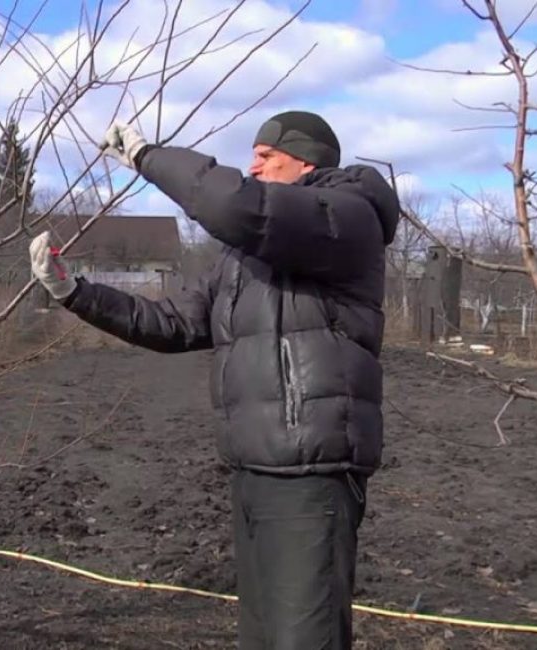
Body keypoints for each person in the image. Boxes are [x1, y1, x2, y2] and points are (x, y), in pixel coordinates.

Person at [28, 111, 400, 649]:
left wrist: (146, 157)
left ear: (307, 161)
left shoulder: (346, 216)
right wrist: (73, 292)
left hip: (311, 472)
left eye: (267, 156)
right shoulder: (242, 260)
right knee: (262, 637)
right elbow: (173, 323)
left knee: (304, 638)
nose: (254, 165)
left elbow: (235, 206)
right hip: (253, 468)